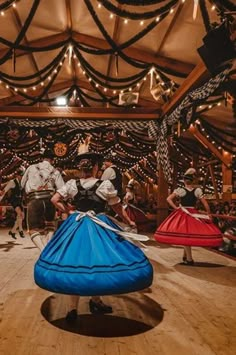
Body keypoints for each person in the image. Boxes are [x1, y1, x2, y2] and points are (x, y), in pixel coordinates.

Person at [34, 152, 153, 323]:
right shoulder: (104, 184)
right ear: (95, 168)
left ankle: (72, 309)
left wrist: (68, 210)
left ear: (81, 169)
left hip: (77, 224)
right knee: (98, 260)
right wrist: (129, 220)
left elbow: (55, 199)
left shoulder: (72, 184)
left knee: (74, 261)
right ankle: (95, 301)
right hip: (98, 224)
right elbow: (117, 207)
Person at [154, 168, 223, 265]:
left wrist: (176, 208)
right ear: (192, 180)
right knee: (188, 235)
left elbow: (168, 199)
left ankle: (189, 259)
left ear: (184, 180)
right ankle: (185, 256)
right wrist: (209, 214)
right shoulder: (197, 190)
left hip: (182, 213)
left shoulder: (180, 190)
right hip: (193, 213)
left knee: (185, 235)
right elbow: (205, 204)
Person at [21, 149, 65, 250]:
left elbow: (22, 184)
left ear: (41, 158)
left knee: (33, 229)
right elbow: (62, 189)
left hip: (34, 199)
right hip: (50, 199)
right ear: (53, 160)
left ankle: (43, 252)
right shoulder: (55, 171)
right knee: (50, 226)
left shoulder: (31, 167)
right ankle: (48, 249)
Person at [0, 169, 25, 239]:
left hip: (19, 201)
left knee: (21, 217)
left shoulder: (22, 182)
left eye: (22, 176)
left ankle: (13, 231)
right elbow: (4, 191)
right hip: (14, 200)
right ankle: (21, 230)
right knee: (20, 214)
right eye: (21, 175)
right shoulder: (12, 182)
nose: (22, 177)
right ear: (17, 175)